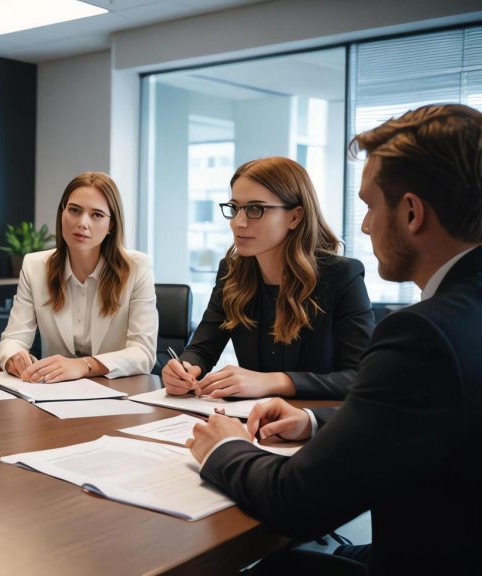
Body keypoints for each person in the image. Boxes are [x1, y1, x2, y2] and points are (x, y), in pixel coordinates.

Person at [189, 104, 482, 574]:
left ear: (411, 212)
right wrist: (312, 422)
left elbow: (296, 502)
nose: (363, 226)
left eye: (369, 205)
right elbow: (425, 415)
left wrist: (224, 447)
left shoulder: (424, 333)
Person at [163, 157, 373, 400]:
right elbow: (202, 347)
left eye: (255, 209)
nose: (238, 223)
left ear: (295, 217)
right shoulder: (231, 271)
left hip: (316, 424)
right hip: (249, 420)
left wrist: (275, 381)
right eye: (235, 208)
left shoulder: (341, 276)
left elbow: (362, 377)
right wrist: (186, 368)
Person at [0, 171, 157, 382]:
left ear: (111, 225)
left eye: (97, 215)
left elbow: (143, 353)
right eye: (74, 210)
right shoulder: (35, 266)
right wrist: (15, 357)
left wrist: (84, 366)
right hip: (53, 393)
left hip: (117, 391)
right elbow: (12, 339)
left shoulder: (137, 267)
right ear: (62, 212)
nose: (82, 223)